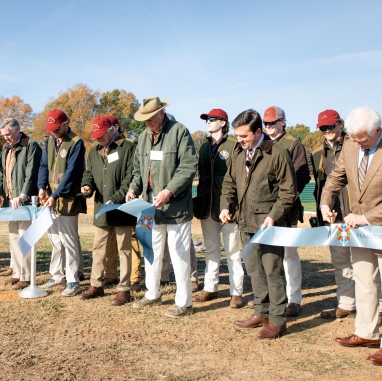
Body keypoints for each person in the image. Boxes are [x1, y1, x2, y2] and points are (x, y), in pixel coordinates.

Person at [321, 107, 382, 366]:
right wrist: (324, 203)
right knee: (364, 280)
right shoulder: (351, 146)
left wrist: (367, 217)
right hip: (359, 233)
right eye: (352, 137)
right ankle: (366, 332)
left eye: (361, 138)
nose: (355, 143)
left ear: (377, 131)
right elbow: (334, 178)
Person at [220, 109, 296, 339]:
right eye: (238, 136)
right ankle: (261, 311)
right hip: (245, 223)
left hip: (270, 225)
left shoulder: (278, 153)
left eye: (244, 136)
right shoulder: (239, 153)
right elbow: (229, 183)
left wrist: (273, 216)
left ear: (258, 131)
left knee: (273, 271)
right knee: (254, 270)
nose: (240, 141)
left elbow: (288, 192)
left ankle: (277, 320)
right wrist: (226, 206)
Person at [125, 97, 197, 318]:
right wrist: (133, 189)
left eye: (150, 119)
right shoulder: (144, 137)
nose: (147, 123)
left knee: (179, 254)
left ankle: (184, 302)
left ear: (161, 113)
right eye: (144, 120)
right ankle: (152, 293)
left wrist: (169, 191)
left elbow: (188, 166)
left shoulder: (179, 132)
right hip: (148, 208)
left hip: (175, 208)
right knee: (151, 252)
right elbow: (138, 170)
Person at [79, 117, 136, 305]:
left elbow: (131, 176)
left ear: (113, 129)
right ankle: (96, 285)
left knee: (124, 249)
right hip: (102, 208)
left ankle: (124, 289)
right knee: (98, 248)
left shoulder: (128, 147)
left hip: (123, 208)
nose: (99, 139)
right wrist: (87, 186)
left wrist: (117, 197)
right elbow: (89, 174)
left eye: (102, 134)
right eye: (96, 136)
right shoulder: (94, 152)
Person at [193, 109, 244, 307]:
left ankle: (236, 292)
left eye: (212, 119)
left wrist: (232, 205)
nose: (208, 122)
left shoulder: (233, 145)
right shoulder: (205, 147)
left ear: (223, 123)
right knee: (211, 250)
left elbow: (238, 178)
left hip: (229, 208)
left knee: (232, 252)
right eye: (207, 119)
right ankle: (210, 288)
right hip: (207, 206)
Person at [262, 106, 310, 317]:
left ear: (283, 122)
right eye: (266, 123)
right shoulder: (262, 143)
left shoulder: (293, 144)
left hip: (287, 209)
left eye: (273, 122)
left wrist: (288, 199)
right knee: (270, 255)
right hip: (265, 208)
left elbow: (302, 175)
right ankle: (274, 296)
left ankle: (294, 299)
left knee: (289, 255)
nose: (269, 127)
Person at [311, 110, 356, 319]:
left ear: (340, 124)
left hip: (356, 214)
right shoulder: (318, 155)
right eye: (323, 128)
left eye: (330, 126)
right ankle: (346, 302)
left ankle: (377, 307)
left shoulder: (354, 146)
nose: (327, 131)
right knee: (340, 260)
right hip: (333, 217)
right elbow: (320, 187)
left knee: (364, 263)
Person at [38, 109, 87, 297]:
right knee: (55, 239)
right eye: (51, 129)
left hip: (68, 199)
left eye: (57, 129)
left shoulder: (76, 142)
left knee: (69, 239)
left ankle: (73, 280)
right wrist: (42, 187)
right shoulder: (49, 141)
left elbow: (71, 173)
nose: (54, 132)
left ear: (66, 123)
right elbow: (44, 165)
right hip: (50, 199)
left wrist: (55, 195)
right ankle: (57, 275)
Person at [0, 118, 42, 290]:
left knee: (25, 237)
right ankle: (16, 272)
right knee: (13, 236)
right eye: (3, 135)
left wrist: (23, 194)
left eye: (8, 134)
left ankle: (26, 276)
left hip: (25, 201)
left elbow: (32, 172)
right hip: (9, 201)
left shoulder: (31, 146)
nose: (5, 138)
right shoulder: (5, 148)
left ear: (17, 130)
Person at [104, 115, 142, 291]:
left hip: (127, 200)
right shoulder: (105, 148)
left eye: (110, 128)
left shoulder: (129, 145)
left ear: (116, 127)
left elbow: (133, 173)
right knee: (110, 238)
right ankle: (110, 274)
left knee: (131, 239)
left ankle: (134, 278)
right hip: (109, 200)